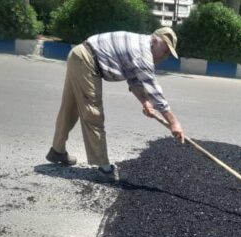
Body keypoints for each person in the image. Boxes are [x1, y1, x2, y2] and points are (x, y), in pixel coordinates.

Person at [46, 27, 185, 183]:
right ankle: (105, 169)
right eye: (165, 51)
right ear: (154, 41)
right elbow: (154, 91)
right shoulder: (143, 53)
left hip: (79, 57)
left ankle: (57, 151)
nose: (165, 56)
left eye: (168, 54)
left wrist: (145, 102)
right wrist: (173, 122)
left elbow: (134, 80)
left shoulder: (141, 46)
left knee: (70, 108)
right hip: (87, 61)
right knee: (93, 114)